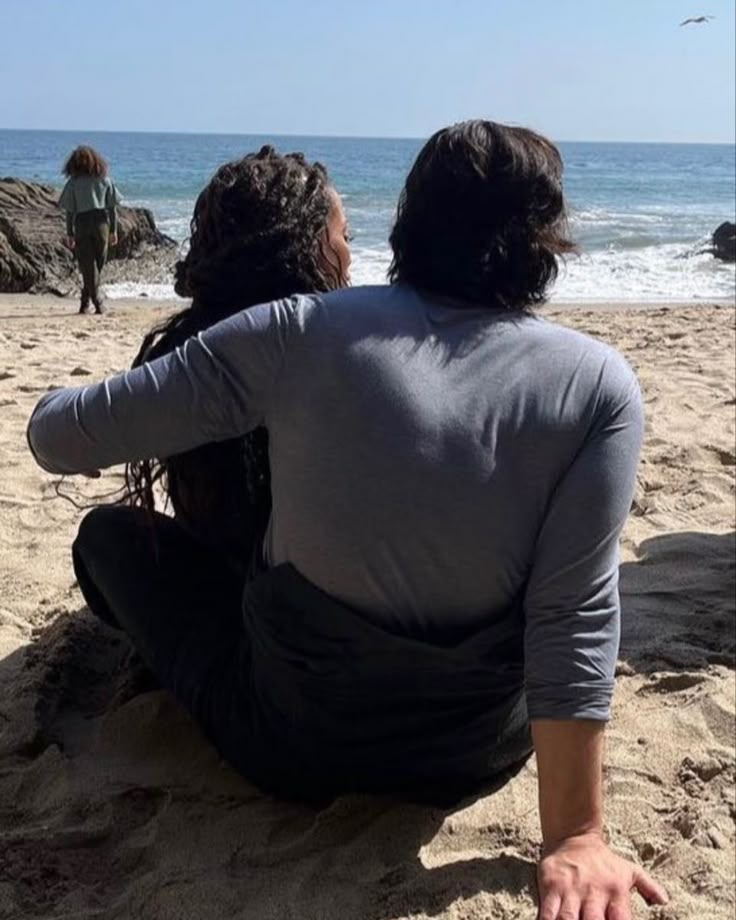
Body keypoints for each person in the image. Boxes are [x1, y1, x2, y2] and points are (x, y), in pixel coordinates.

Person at [28, 120, 668, 919]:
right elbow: (575, 611)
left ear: (409, 221)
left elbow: (56, 439)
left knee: (108, 539)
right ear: (545, 238)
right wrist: (575, 835)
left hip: (290, 747)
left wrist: (76, 400)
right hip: (472, 754)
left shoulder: (298, 331)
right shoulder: (599, 384)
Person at [123, 145, 351, 568]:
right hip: (311, 596)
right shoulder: (342, 355)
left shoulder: (189, 352)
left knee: (106, 538)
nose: (350, 255)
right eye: (344, 236)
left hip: (223, 585)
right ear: (302, 248)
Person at [59, 146, 121, 314]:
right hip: (101, 223)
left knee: (88, 266)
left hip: (82, 224)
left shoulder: (73, 183)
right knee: (96, 265)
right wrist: (113, 230)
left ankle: (85, 301)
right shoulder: (105, 180)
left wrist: (70, 233)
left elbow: (69, 212)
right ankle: (97, 302)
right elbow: (112, 208)